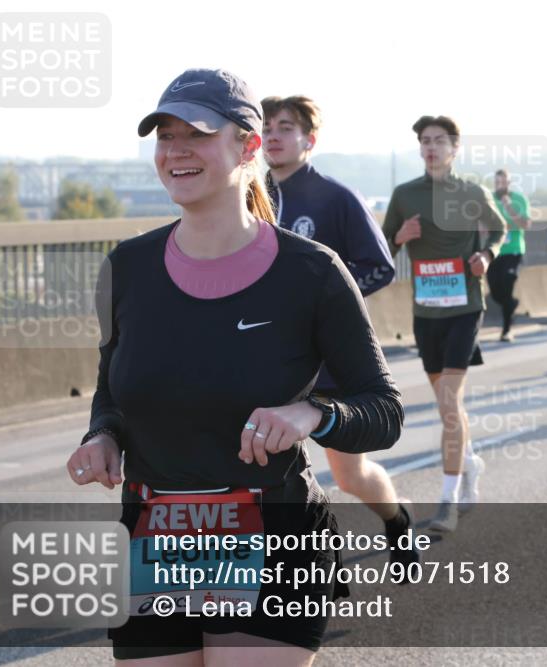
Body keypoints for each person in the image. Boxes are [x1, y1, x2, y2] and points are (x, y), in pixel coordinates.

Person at [67, 68, 403, 665]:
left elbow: (383, 411)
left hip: (273, 533)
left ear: (247, 146)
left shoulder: (313, 273)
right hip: (154, 533)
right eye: (164, 136)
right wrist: (104, 435)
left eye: (195, 134)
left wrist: (311, 414)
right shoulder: (127, 268)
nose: (175, 151)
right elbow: (112, 390)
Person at [260, 94, 419, 569]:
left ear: (309, 139)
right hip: (266, 359)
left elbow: (379, 267)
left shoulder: (334, 197)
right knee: (266, 469)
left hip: (330, 362)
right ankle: (287, 570)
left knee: (349, 476)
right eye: (266, 126)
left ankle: (396, 520)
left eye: (285, 127)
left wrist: (328, 310)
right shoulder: (247, 196)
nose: (273, 135)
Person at [382, 115, 505, 531]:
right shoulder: (404, 195)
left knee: (450, 403)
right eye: (425, 141)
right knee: (447, 405)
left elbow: (500, 230)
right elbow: (381, 246)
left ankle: (447, 502)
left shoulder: (471, 191)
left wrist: (486, 256)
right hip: (426, 313)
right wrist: (401, 236)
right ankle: (469, 463)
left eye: (439, 141)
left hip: (465, 308)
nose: (431, 147)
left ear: (455, 149)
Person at [487, 168, 532, 341]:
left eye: (503, 182)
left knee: (507, 281)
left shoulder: (519, 199)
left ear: (509, 183)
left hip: (514, 251)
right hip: (495, 251)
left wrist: (509, 207)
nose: (500, 186)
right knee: (496, 291)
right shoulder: (489, 199)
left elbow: (525, 224)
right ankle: (511, 304)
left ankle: (506, 329)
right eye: (497, 182)